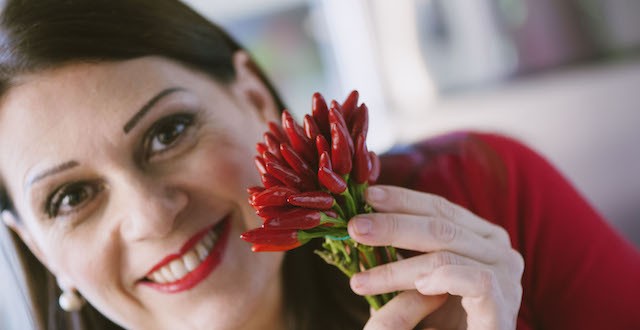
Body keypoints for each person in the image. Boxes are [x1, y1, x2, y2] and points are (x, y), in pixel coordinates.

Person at [0, 0, 637, 329]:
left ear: (253, 97)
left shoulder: (485, 189)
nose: (151, 215)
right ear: (37, 247)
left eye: (169, 132)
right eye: (70, 196)